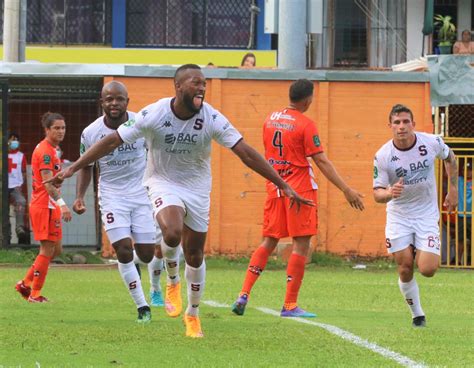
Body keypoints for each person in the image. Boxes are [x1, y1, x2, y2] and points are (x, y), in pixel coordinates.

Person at [45, 64, 312, 338]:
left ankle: (193, 315)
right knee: (172, 232)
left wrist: (283, 184)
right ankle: (172, 280)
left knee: (195, 253)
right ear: (179, 87)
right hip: (162, 181)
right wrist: (72, 168)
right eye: (196, 83)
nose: (201, 88)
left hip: (197, 188)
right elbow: (112, 141)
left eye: (204, 84)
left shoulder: (211, 117)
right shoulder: (155, 113)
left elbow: (245, 152)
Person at [231, 79, 365, 318]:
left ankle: (243, 293)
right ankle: (290, 305)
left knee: (268, 241)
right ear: (308, 99)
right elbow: (321, 160)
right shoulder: (306, 124)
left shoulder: (270, 119)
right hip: (300, 190)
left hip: (275, 187)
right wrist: (346, 189)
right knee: (301, 244)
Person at [72, 81, 159, 322]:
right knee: (122, 249)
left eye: (119, 99)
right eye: (109, 99)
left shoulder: (140, 123)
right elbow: (86, 166)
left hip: (141, 193)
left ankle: (140, 270)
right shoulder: (91, 133)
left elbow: (156, 152)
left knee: (147, 253)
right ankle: (142, 307)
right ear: (102, 102)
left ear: (127, 102)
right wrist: (79, 197)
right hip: (112, 195)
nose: (114, 103)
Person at [373, 104, 458, 327]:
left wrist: (453, 189)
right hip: (399, 216)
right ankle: (417, 315)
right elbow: (377, 194)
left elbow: (451, 158)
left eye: (406, 122)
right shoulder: (383, 156)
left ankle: (417, 248)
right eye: (397, 122)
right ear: (390, 126)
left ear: (413, 124)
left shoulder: (431, 142)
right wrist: (390, 193)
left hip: (426, 214)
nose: (402, 127)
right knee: (404, 267)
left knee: (428, 269)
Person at [15, 112, 72, 303]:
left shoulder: (54, 150)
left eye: (63, 127)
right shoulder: (45, 152)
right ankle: (35, 293)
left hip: (50, 205)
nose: (60, 131)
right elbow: (48, 184)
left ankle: (25, 283)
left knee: (56, 250)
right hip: (43, 205)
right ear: (47, 130)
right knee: (47, 250)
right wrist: (63, 204)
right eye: (56, 128)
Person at [8, 132, 28, 241]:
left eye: (16, 139)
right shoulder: (3, 155)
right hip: (3, 186)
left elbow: (24, 171)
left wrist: (21, 184)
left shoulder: (21, 156)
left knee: (21, 201)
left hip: (15, 186)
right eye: (11, 139)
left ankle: (19, 226)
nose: (14, 141)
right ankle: (6, 233)